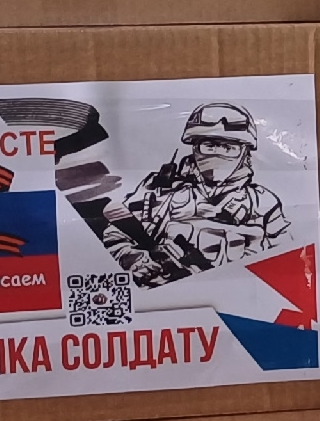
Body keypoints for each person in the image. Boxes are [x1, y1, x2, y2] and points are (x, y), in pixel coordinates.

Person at [93, 102, 289, 287]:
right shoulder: (160, 191)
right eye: (209, 145)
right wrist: (138, 263)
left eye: (229, 148)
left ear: (244, 152)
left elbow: (286, 255)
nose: (217, 153)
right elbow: (115, 235)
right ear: (195, 147)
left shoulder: (262, 202)